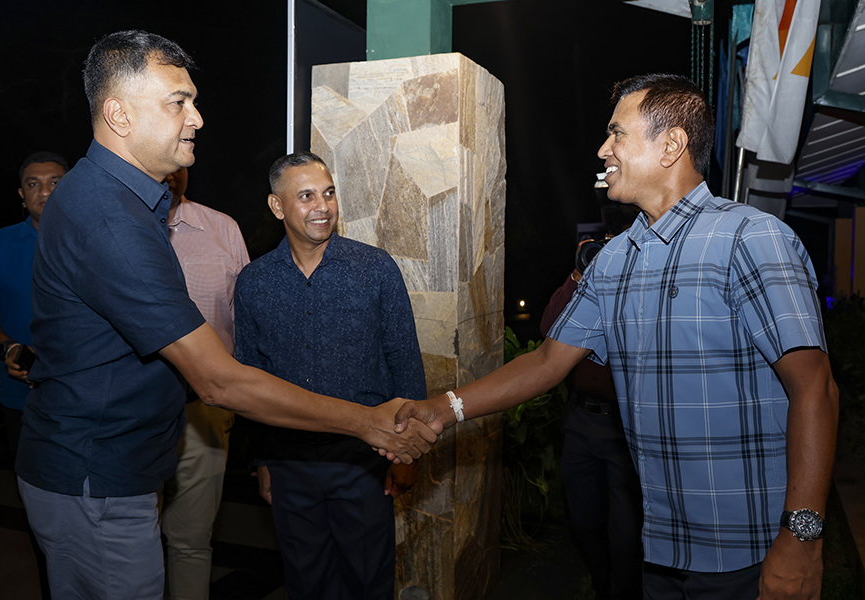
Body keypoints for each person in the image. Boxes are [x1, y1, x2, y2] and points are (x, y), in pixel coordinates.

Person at [13, 30, 436, 600]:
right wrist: (367, 422)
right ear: (118, 113)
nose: (198, 118)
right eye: (179, 102)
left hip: (112, 471)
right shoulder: (111, 219)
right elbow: (217, 377)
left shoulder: (117, 202)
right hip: (96, 476)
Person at [395, 74, 839, 600]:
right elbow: (546, 363)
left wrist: (802, 540)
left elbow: (816, 389)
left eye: (617, 134)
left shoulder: (752, 238)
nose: (603, 149)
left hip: (752, 551)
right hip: (661, 551)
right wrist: (444, 409)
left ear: (671, 144)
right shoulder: (615, 259)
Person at [234, 151, 426, 600]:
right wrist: (262, 462)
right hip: (288, 463)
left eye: (329, 193)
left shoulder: (375, 269)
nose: (322, 205)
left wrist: (408, 455)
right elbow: (251, 379)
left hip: (361, 460)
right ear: (277, 206)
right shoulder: (254, 282)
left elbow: (405, 363)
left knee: (367, 583)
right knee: (306, 583)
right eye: (306, 196)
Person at [0, 150, 68, 600]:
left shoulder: (91, 240)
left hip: (82, 401)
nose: (45, 192)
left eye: (56, 182)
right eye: (33, 184)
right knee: (42, 515)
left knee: (90, 512)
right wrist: (6, 346)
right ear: (21, 195)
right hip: (20, 400)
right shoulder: (0, 243)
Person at [538, 206, 643, 600]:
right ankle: (603, 587)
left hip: (623, 426)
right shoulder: (589, 281)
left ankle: (625, 592)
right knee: (582, 520)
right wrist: (579, 274)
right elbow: (550, 327)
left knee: (626, 532)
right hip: (581, 420)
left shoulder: (640, 279)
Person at [161, 166, 250, 600]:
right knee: (128, 542)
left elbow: (246, 324)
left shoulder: (222, 230)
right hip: (131, 413)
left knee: (192, 541)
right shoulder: (119, 229)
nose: (171, 173)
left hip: (205, 413)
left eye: (180, 163)